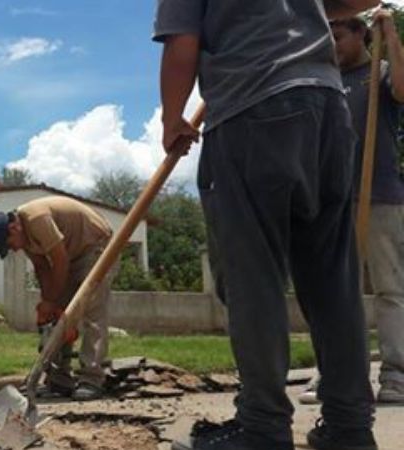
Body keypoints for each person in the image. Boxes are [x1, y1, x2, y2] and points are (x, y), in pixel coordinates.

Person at [153, 0, 380, 449]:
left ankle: (262, 428)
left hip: (253, 108)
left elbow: (183, 43)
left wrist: (171, 117)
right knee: (334, 282)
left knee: (253, 279)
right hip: (328, 108)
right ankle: (350, 428)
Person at [298, 10, 404, 408]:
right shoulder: (324, 81)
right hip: (332, 200)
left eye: (338, 36)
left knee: (390, 291)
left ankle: (397, 376)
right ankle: (336, 372)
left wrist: (390, 33)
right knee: (333, 293)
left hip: (379, 196)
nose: (331, 45)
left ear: (361, 34)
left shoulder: (379, 73)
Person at [0, 196, 115, 401]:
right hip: (71, 254)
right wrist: (48, 303)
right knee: (57, 316)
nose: (14, 249)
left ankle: (92, 378)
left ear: (14, 228)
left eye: (9, 244)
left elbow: (59, 261)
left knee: (92, 311)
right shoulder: (24, 236)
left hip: (96, 247)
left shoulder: (37, 218)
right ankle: (58, 378)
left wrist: (51, 301)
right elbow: (43, 267)